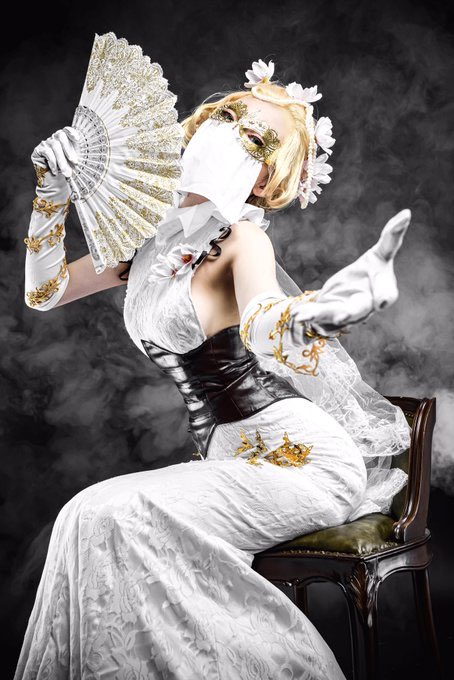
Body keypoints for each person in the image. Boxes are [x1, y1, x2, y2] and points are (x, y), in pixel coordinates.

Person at [16, 62, 411, 679]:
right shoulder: (148, 243)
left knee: (112, 516)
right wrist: (51, 193)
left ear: (266, 177)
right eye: (225, 116)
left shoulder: (244, 242)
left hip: (304, 461)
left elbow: (265, 321)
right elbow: (45, 292)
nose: (228, 134)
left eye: (254, 138)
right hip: (228, 460)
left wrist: (323, 313)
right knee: (81, 516)